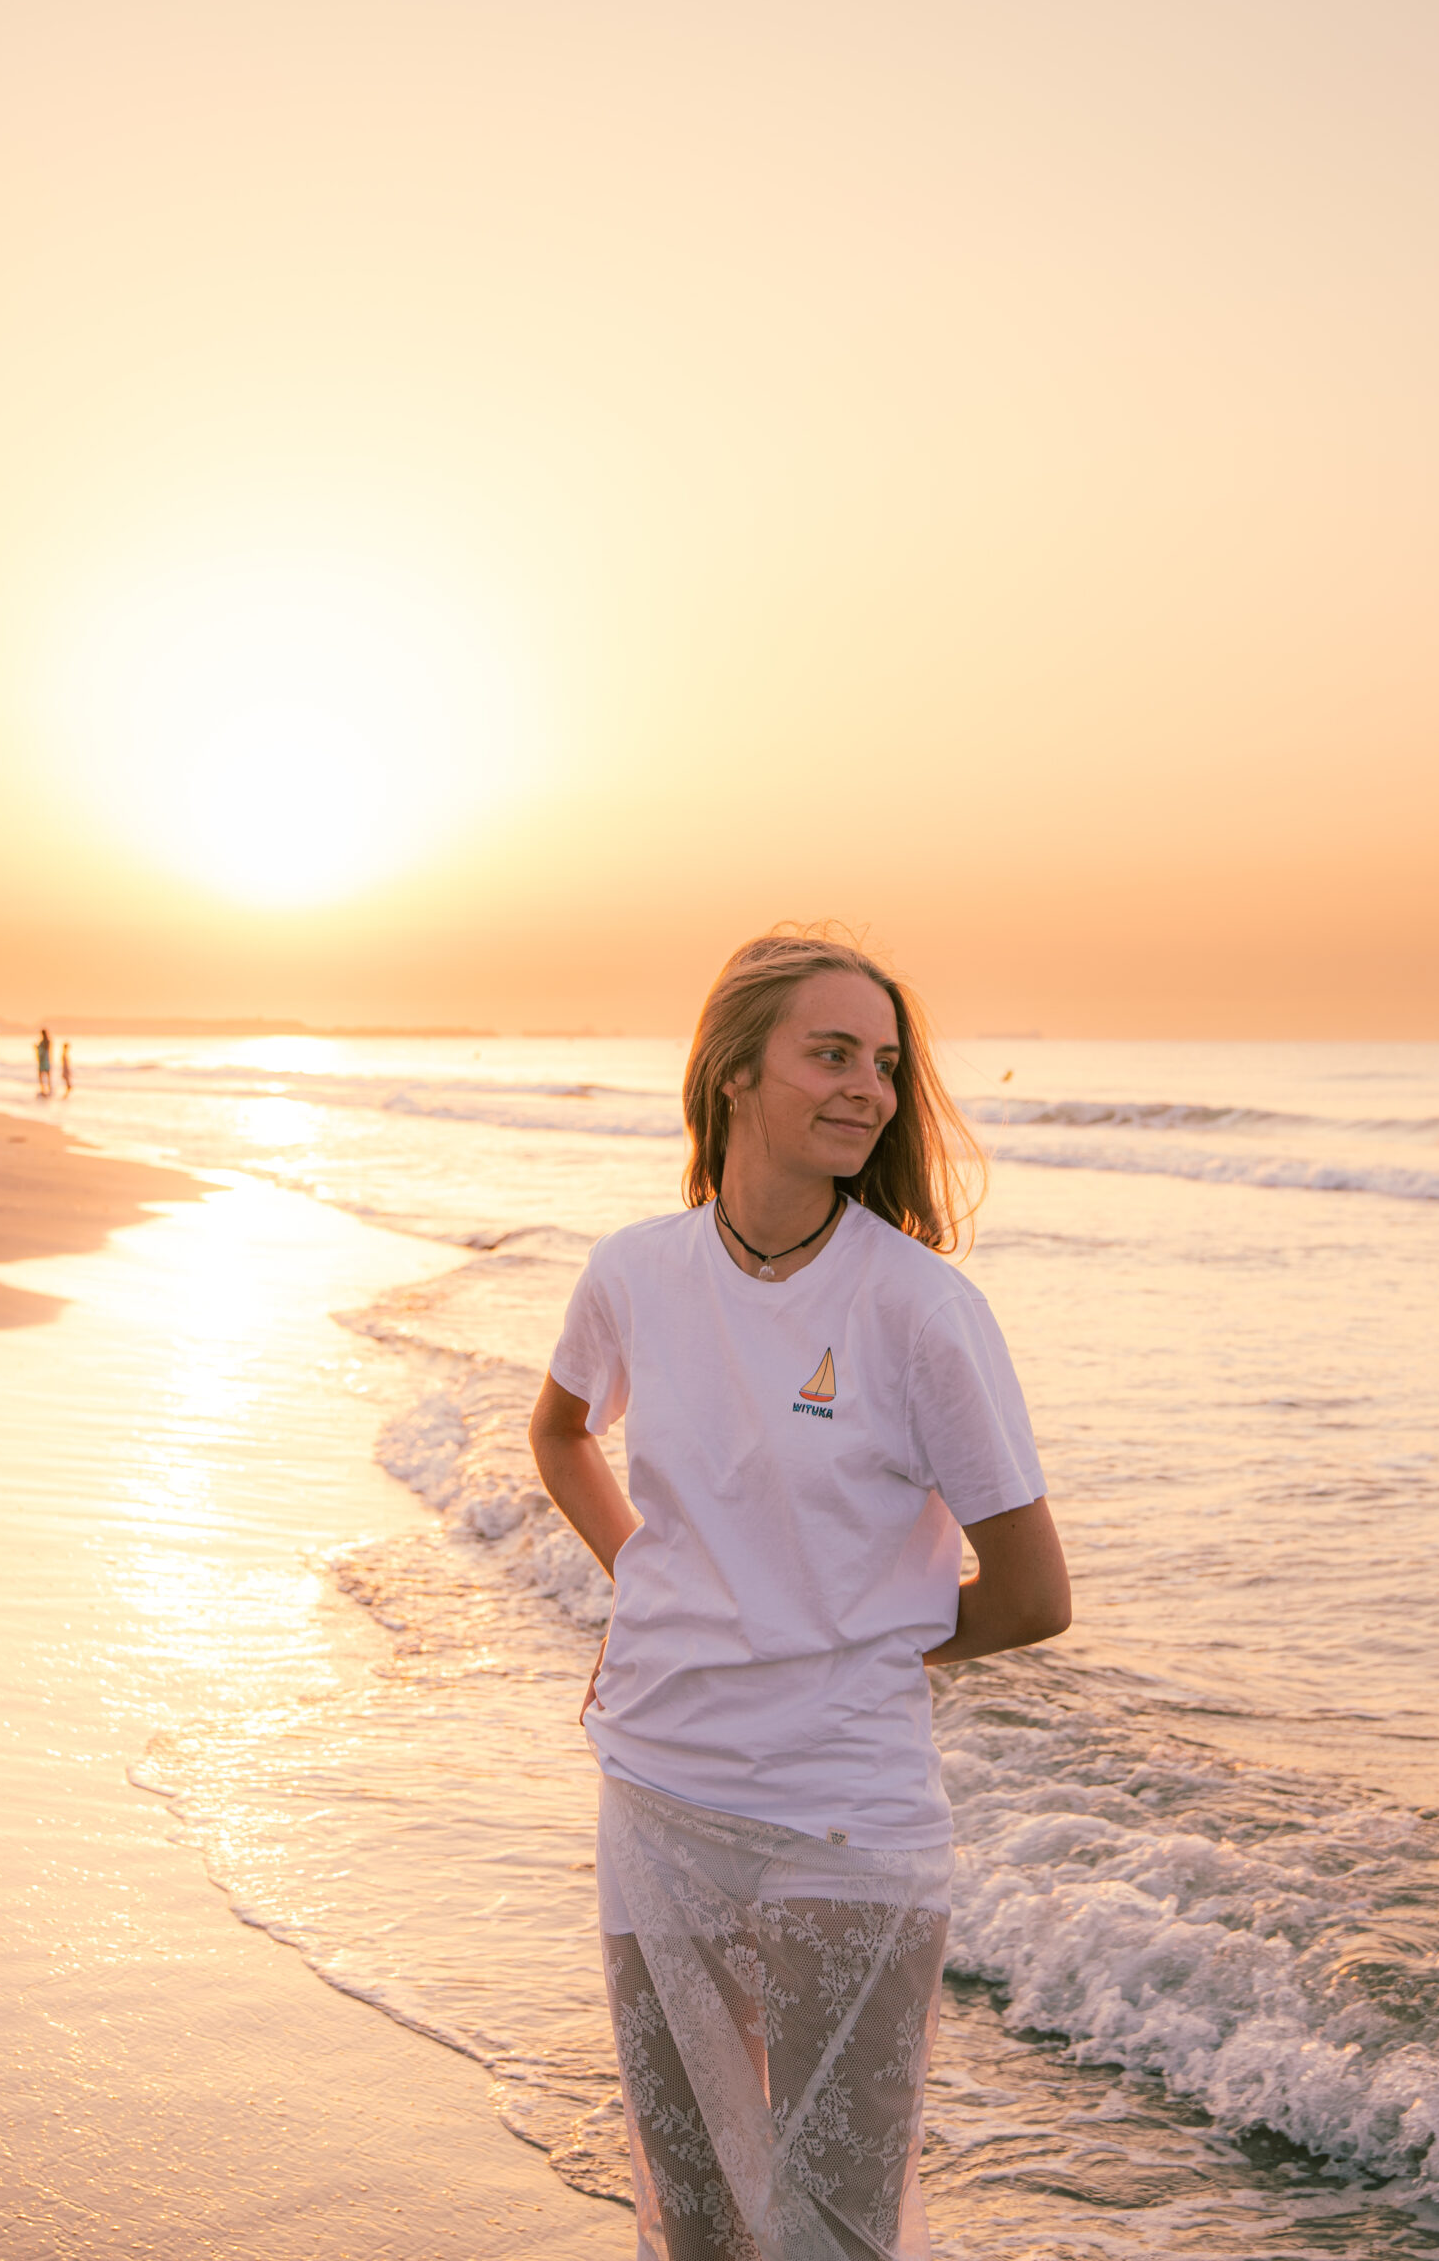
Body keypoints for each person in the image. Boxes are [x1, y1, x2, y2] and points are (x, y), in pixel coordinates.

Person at [532, 931, 1070, 2260]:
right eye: (831, 1053)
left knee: (833, 2225)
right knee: (701, 2213)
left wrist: (838, 1640)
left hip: (845, 1813)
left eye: (884, 1063)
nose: (868, 1089)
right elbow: (558, 1435)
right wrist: (653, 1595)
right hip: (657, 1791)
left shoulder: (917, 1308)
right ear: (733, 1076)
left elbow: (1032, 1594)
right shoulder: (635, 1271)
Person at [35, 1028, 53, 1099]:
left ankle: (44, 1090)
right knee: (47, 1076)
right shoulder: (47, 1041)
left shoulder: (43, 1042)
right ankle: (48, 1090)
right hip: (46, 1060)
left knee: (41, 1076)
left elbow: (42, 1050)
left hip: (43, 1061)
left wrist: (37, 1047)